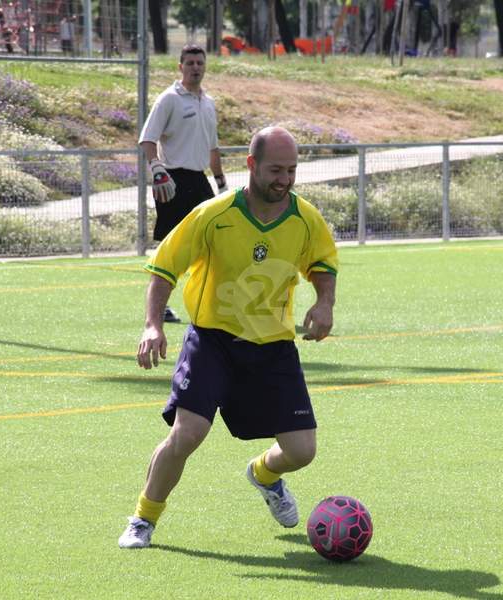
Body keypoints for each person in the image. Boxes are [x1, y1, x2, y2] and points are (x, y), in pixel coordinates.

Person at [118, 126, 339, 549]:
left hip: (273, 349)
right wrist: (153, 325)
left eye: (292, 170)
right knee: (187, 434)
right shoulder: (214, 214)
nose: (285, 179)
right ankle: (143, 519)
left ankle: (264, 475)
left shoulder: (305, 218)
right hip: (213, 342)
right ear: (251, 165)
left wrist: (324, 301)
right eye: (276, 169)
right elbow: (164, 267)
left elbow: (323, 264)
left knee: (301, 451)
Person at [139, 43, 227, 323]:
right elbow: (147, 139)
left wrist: (221, 181)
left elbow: (212, 148)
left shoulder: (209, 102)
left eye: (199, 63)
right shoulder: (169, 99)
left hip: (200, 181)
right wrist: (157, 170)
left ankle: (213, 300)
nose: (195, 68)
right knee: (170, 245)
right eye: (189, 63)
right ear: (180, 67)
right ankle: (159, 307)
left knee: (214, 239)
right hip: (172, 179)